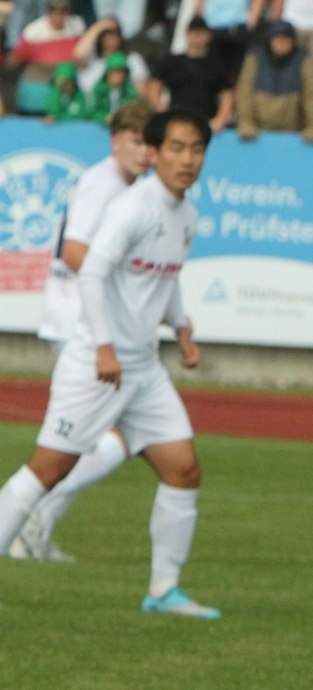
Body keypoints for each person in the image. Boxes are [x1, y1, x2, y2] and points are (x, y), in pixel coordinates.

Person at [0, 109, 219, 619]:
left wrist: (181, 326)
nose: (187, 160)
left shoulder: (186, 214)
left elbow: (163, 279)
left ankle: (163, 591)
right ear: (155, 152)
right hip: (97, 362)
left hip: (141, 367)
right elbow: (92, 273)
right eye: (177, 148)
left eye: (197, 149)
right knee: (49, 469)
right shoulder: (132, 207)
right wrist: (103, 345)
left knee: (183, 469)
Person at [10, 101, 154, 565]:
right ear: (116, 141)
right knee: (107, 437)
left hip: (91, 325)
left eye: (148, 142)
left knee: (113, 437)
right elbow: (75, 252)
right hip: (81, 325)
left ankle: (37, 523)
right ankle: (34, 518)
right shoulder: (104, 183)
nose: (144, 152)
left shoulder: (126, 186)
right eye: (136, 141)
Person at [158, 16, 235, 136]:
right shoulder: (172, 62)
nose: (197, 36)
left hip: (205, 124)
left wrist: (220, 119)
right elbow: (154, 87)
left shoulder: (216, 64)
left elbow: (227, 94)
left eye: (201, 33)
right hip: (176, 122)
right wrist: (162, 110)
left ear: (209, 35)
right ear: (187, 34)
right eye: (194, 32)